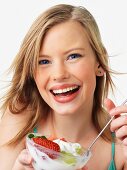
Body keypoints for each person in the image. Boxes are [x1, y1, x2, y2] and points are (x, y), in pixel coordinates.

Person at [0, 4, 127, 170]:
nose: (59, 74)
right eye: (44, 61)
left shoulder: (119, 148)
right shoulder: (19, 121)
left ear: (99, 62)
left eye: (73, 56)